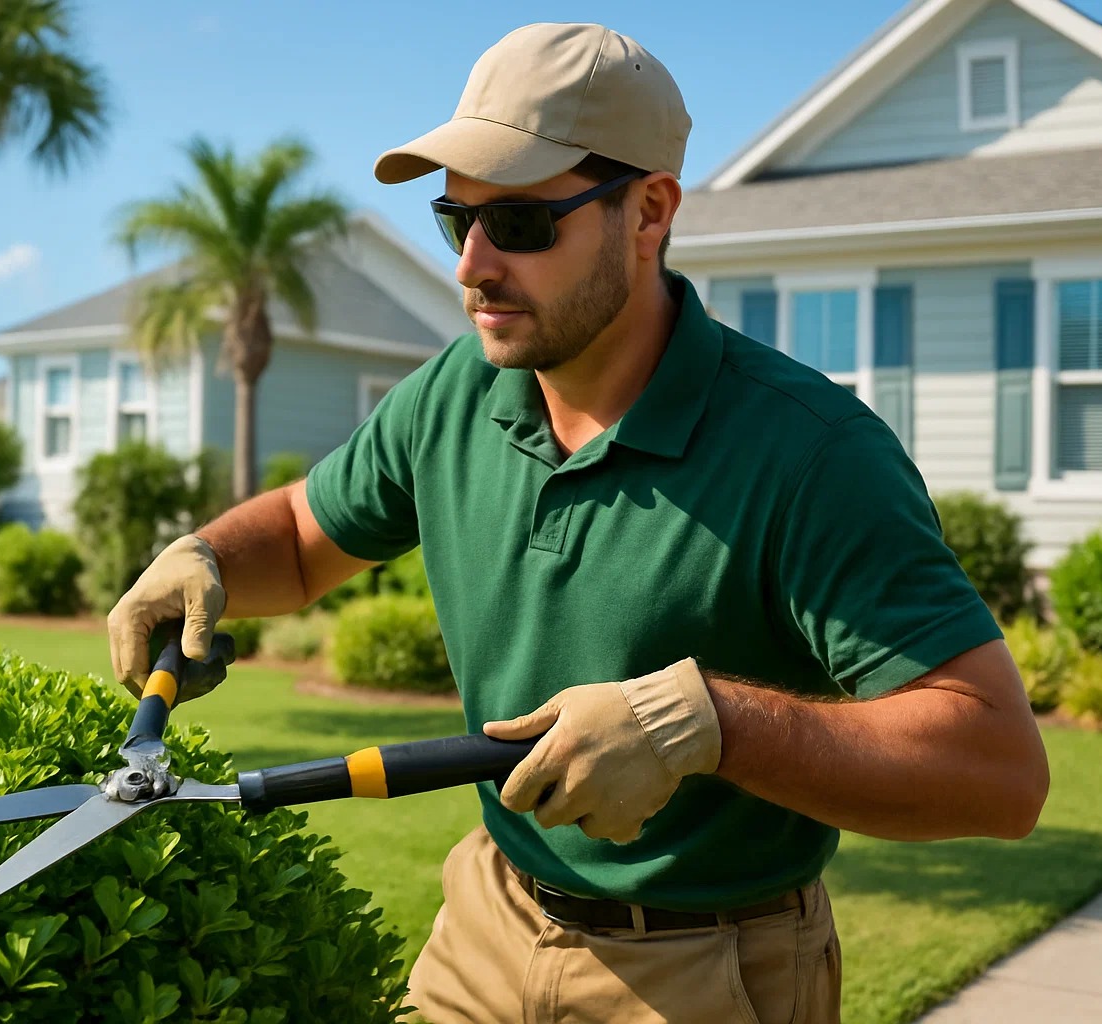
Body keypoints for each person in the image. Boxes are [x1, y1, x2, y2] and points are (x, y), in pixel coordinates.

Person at [108, 22, 1051, 1024]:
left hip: (706, 970)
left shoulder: (810, 453)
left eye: (517, 225)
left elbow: (997, 770)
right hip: (486, 922)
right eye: (455, 221)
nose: (472, 267)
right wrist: (209, 554)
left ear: (649, 211)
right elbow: (303, 534)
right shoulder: (456, 394)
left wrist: (708, 726)